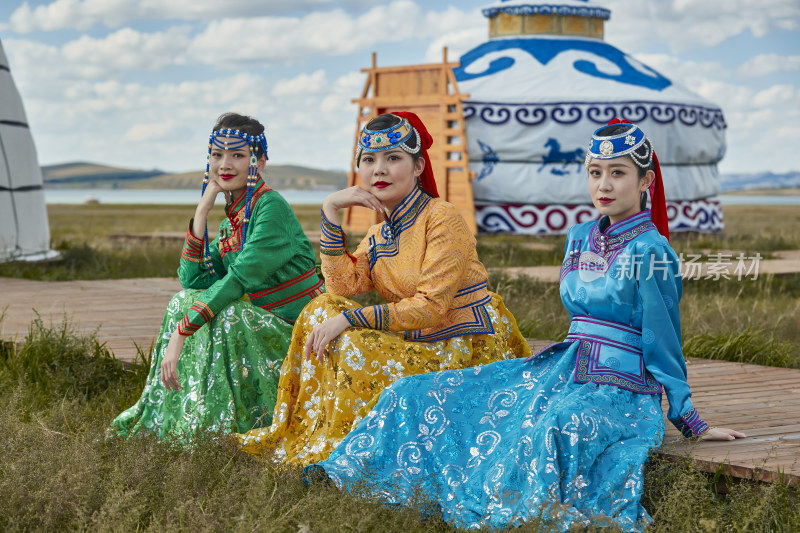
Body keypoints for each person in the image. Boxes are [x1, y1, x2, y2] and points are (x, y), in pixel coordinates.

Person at [303, 119, 745, 531]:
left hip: (621, 386)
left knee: (555, 423)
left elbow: (663, 336)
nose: (604, 185)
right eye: (595, 173)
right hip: (563, 367)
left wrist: (689, 419)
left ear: (646, 181)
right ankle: (349, 475)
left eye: (618, 173)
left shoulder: (652, 252)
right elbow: (346, 283)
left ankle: (519, 509)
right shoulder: (579, 237)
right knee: (419, 392)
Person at [238, 111, 531, 464]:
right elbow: (341, 287)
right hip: (417, 337)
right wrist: (331, 210)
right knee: (320, 309)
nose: (379, 169)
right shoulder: (381, 234)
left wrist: (351, 320)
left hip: (461, 344)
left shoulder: (441, 218)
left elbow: (430, 308)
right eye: (369, 160)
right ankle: (310, 435)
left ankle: (343, 450)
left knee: (351, 341)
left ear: (419, 166)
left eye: (393, 158)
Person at [110, 112, 323, 440]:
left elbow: (238, 279)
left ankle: (215, 430)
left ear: (260, 162)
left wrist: (182, 332)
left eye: (237, 155)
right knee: (183, 300)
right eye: (217, 155)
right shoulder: (232, 220)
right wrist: (202, 211)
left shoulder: (271, 209)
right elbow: (193, 280)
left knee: (226, 315)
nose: (225, 164)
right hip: (260, 325)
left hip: (297, 332)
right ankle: (183, 422)